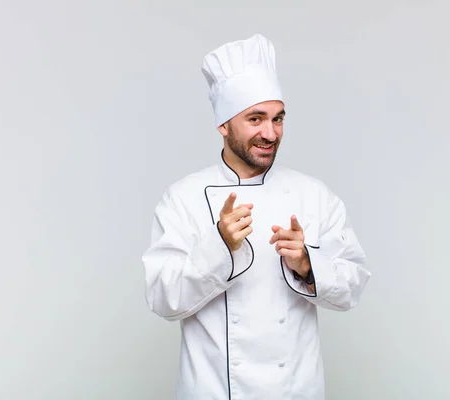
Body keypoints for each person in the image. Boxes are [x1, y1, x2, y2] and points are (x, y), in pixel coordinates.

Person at [142, 33, 371, 400]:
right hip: (215, 391)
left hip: (294, 390)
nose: (270, 133)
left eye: (278, 119)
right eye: (255, 119)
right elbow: (162, 300)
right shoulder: (182, 198)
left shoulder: (313, 195)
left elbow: (353, 285)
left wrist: (308, 264)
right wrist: (218, 246)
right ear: (223, 125)